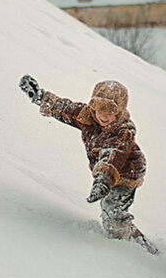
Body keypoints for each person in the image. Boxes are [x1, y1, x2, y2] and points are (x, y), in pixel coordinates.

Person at [19, 75, 153, 250]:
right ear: (93, 107)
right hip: (106, 172)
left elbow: (113, 155)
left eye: (110, 111)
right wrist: (40, 96)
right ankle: (127, 240)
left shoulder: (123, 131)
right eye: (99, 109)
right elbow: (65, 108)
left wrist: (103, 180)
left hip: (127, 171)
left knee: (112, 211)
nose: (104, 116)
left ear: (119, 111)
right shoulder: (88, 117)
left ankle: (137, 249)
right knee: (110, 210)